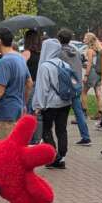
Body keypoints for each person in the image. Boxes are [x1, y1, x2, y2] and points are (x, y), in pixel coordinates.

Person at [32, 38, 73, 169]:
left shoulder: (45, 66)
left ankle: (54, 157)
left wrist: (39, 106)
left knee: (46, 130)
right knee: (62, 129)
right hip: (65, 102)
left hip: (50, 104)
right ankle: (62, 157)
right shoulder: (64, 64)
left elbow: (43, 89)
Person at [56, 29, 91, 146]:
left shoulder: (59, 53)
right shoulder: (76, 51)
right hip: (77, 85)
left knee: (60, 112)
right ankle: (86, 136)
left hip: (65, 86)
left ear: (59, 39)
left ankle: (59, 136)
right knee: (78, 112)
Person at [82, 32, 102, 120]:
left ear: (89, 40)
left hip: (92, 73)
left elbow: (90, 63)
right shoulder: (99, 50)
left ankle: (84, 113)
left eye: (85, 38)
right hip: (99, 73)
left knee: (83, 92)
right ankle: (100, 113)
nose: (84, 39)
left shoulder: (90, 50)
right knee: (98, 93)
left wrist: (86, 75)